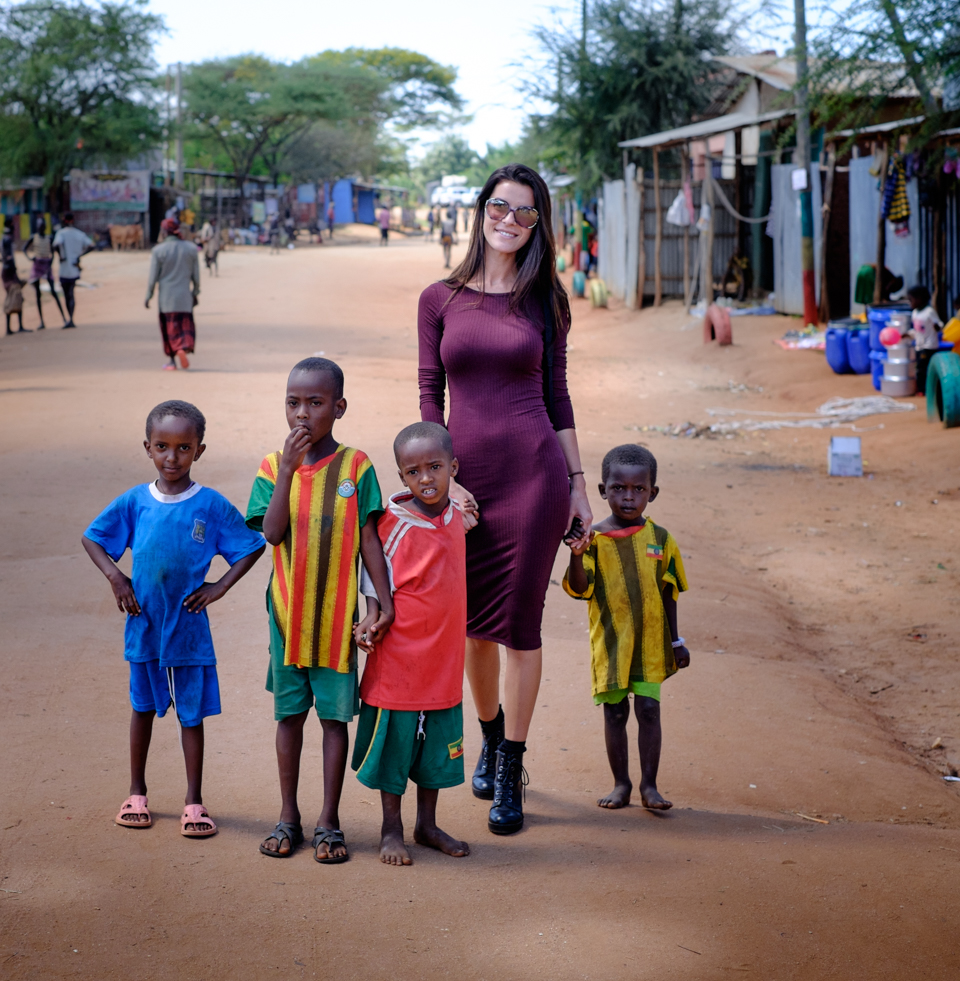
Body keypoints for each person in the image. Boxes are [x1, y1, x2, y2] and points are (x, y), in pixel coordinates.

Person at [418, 163, 592, 835]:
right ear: (480, 210)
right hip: (465, 481)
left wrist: (579, 486)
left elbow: (559, 397)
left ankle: (511, 766)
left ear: (539, 224)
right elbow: (431, 392)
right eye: (500, 206)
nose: (510, 221)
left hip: (536, 476)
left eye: (526, 213)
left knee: (520, 626)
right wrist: (442, 478)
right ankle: (489, 734)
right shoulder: (440, 298)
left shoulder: (546, 300)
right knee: (471, 626)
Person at [81, 400, 265, 836]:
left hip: (188, 629)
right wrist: (116, 577)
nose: (172, 457)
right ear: (147, 447)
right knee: (141, 708)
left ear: (199, 451)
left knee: (191, 715)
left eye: (184, 448)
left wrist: (219, 587)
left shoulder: (211, 506)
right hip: (143, 625)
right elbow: (93, 538)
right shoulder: (134, 502)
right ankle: (136, 792)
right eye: (162, 446)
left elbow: (251, 545)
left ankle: (194, 802)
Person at [246, 357, 395, 863]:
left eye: (315, 403)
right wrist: (288, 469)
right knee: (289, 717)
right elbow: (271, 533)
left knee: (335, 720)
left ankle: (329, 819)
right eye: (293, 403)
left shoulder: (357, 467)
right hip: (288, 620)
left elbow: (370, 536)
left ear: (339, 407)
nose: (302, 414)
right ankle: (288, 815)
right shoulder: (272, 467)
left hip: (337, 622)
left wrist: (385, 601)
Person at [352, 421, 474, 866]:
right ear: (401, 477)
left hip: (443, 657)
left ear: (453, 468)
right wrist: (370, 613)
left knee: (436, 746)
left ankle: (427, 824)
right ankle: (391, 829)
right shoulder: (392, 522)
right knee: (396, 745)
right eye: (413, 471)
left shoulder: (458, 516)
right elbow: (372, 570)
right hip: (400, 655)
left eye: (436, 467)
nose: (426, 479)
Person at [563, 445, 690, 811]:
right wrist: (575, 554)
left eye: (638, 489)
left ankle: (650, 786)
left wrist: (676, 641)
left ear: (653, 493)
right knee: (615, 713)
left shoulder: (661, 540)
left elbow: (669, 593)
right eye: (618, 488)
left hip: (651, 644)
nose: (628, 497)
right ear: (603, 490)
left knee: (649, 710)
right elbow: (580, 588)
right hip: (611, 645)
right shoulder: (594, 540)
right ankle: (621, 784)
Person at [145, 217, 200, 371]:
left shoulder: (158, 250)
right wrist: (195, 292)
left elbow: (152, 278)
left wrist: (148, 296)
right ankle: (183, 347)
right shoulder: (191, 248)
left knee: (169, 328)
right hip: (184, 297)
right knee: (184, 327)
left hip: (166, 299)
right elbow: (196, 276)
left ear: (164, 231)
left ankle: (172, 360)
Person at [24, 216, 67, 330]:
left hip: (47, 265)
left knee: (54, 292)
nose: (41, 227)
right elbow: (25, 249)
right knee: (38, 295)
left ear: (45, 227)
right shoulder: (34, 237)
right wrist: (30, 258)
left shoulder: (49, 238)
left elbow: (53, 253)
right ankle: (41, 321)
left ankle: (64, 318)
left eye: (42, 225)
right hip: (37, 265)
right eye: (39, 225)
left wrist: (50, 265)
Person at [52, 212, 94, 329]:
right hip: (75, 267)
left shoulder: (61, 233)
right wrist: (79, 256)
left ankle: (69, 319)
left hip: (65, 269)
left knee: (67, 294)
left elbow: (56, 245)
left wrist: (61, 256)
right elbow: (92, 246)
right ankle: (71, 318)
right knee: (71, 293)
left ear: (64, 220)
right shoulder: (79, 234)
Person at [906, 284, 942, 394]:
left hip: (929, 346)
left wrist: (937, 327)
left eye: (911, 299)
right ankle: (923, 389)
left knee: (924, 369)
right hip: (919, 345)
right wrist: (907, 334)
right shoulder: (915, 313)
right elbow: (917, 330)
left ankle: (925, 390)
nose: (910, 302)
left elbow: (939, 325)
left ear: (919, 299)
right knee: (919, 368)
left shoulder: (929, 311)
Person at [2, 222, 28, 335]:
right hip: (10, 274)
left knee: (12, 299)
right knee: (15, 299)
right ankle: (17, 327)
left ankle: (11, 328)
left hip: (6, 273)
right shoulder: (7, 240)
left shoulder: (4, 240)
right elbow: (9, 259)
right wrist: (16, 277)